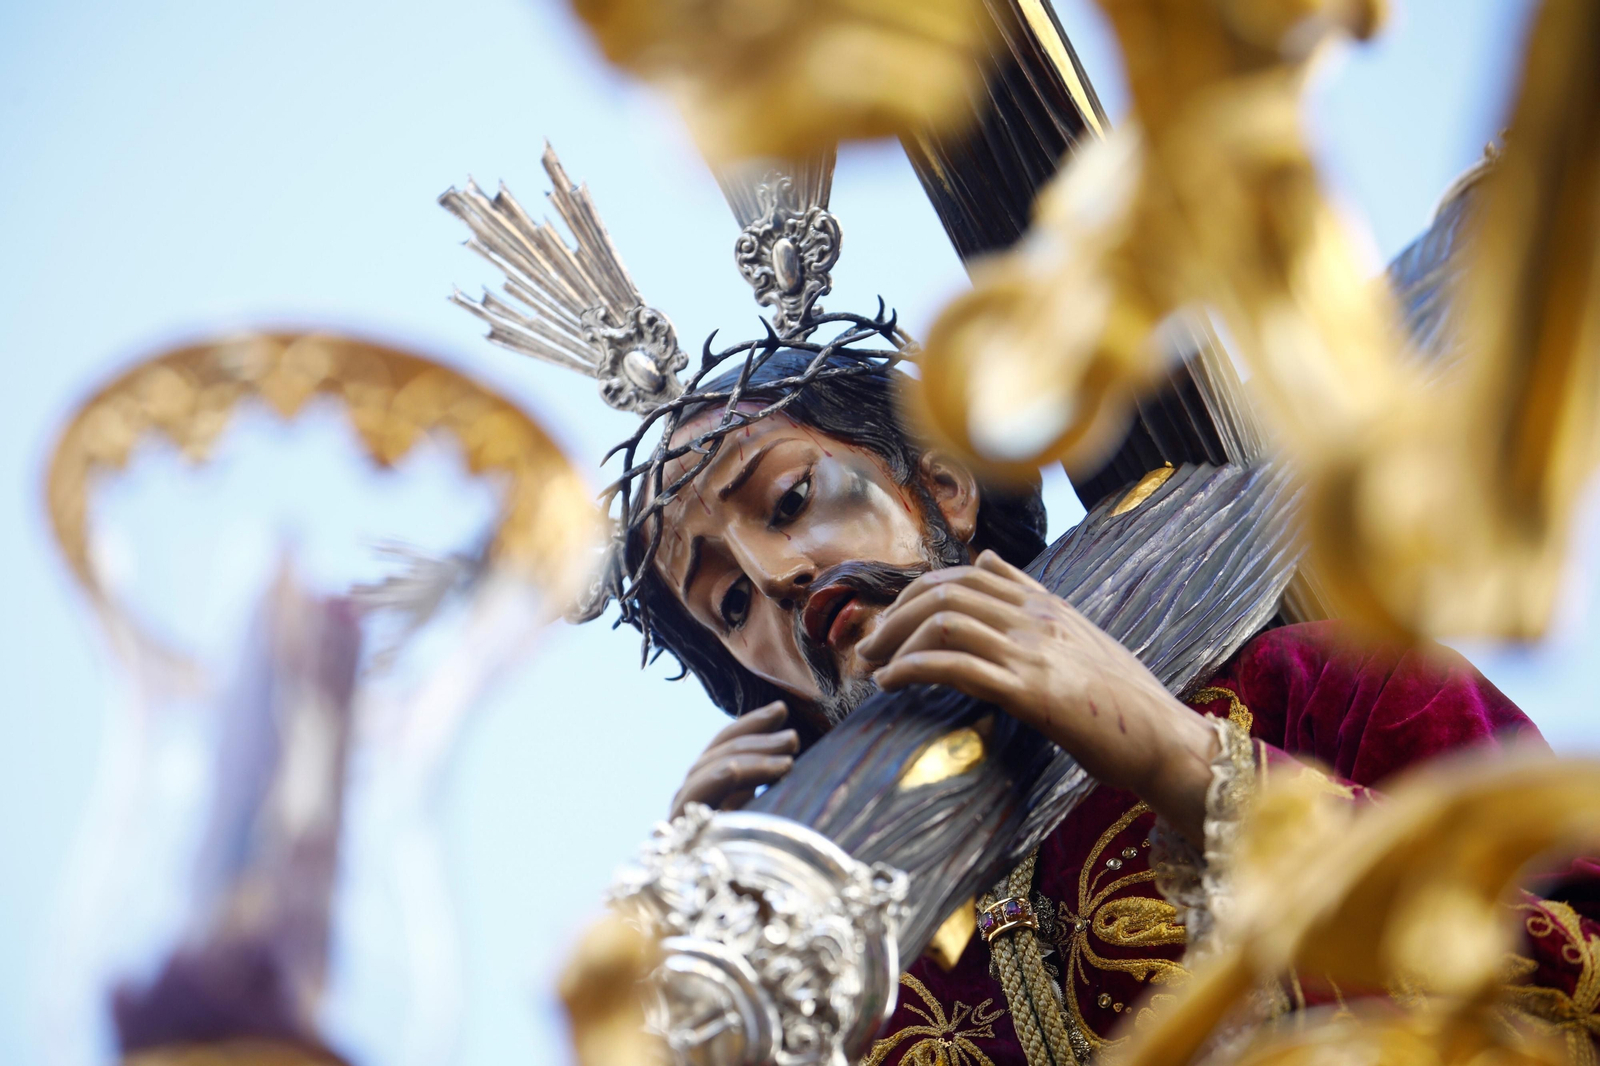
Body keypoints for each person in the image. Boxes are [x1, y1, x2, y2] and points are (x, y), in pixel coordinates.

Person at [640, 352, 1600, 1066]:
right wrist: (720, 997)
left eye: (793, 496)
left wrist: (1187, 763)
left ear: (943, 483)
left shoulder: (1308, 687)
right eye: (726, 604)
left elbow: (1576, 991)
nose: (776, 578)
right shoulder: (857, 986)